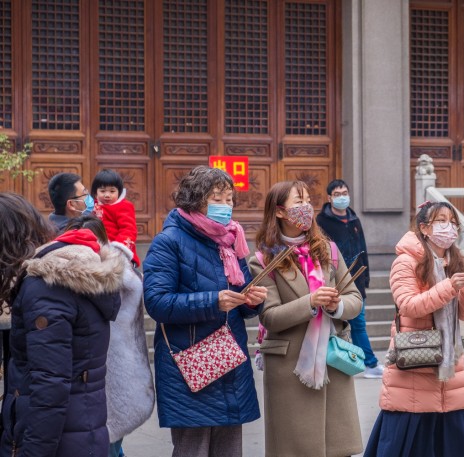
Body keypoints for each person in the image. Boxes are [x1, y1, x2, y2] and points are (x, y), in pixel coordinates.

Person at [144, 166, 267, 457]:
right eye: (218, 198)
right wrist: (213, 301)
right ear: (195, 199)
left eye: (229, 199)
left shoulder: (229, 240)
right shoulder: (169, 242)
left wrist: (251, 300)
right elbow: (157, 302)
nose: (226, 206)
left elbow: (242, 296)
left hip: (228, 358)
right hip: (191, 363)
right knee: (193, 448)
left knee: (229, 449)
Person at [0, 195, 125, 456]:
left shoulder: (45, 286)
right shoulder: (64, 272)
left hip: (58, 440)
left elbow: (50, 385)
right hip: (81, 431)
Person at [248, 180, 363, 457]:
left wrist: (336, 306)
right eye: (297, 202)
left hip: (332, 361)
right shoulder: (263, 260)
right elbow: (270, 316)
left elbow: (354, 298)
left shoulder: (329, 250)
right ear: (279, 212)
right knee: (297, 449)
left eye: (307, 201)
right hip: (290, 368)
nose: (306, 208)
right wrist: (310, 302)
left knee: (338, 448)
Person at [364, 201, 464, 457]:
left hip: (451, 370)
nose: (449, 227)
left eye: (453, 222)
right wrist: (449, 287)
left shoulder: (457, 260)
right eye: (441, 221)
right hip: (415, 367)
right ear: (424, 228)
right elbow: (408, 305)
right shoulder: (406, 262)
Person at [63, 216, 156, 457]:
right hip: (107, 372)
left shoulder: (107, 278)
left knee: (105, 442)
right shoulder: (123, 275)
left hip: (109, 369)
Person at [316, 179, 382, 378]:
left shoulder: (354, 219)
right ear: (329, 198)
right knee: (341, 325)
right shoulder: (321, 222)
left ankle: (368, 363)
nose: (342, 197)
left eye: (344, 192)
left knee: (358, 323)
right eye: (337, 194)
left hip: (357, 282)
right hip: (334, 281)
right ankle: (348, 363)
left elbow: (362, 250)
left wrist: (366, 277)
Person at [91, 168, 141, 267]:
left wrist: (118, 248)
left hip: (118, 251)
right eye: (102, 191)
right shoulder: (92, 206)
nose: (107, 195)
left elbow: (128, 229)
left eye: (112, 191)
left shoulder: (124, 206)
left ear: (119, 192)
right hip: (97, 250)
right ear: (96, 193)